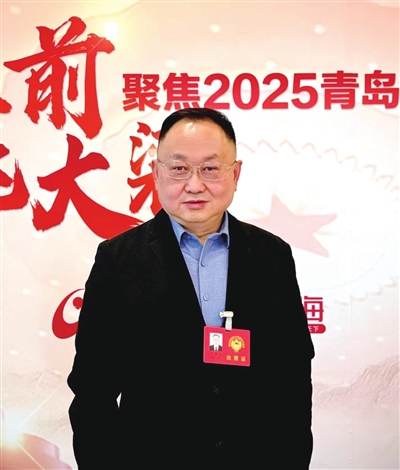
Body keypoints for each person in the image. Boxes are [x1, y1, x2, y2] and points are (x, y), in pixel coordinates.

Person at [68, 108, 315, 470]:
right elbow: (93, 392)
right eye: (179, 168)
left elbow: (292, 379)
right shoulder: (118, 260)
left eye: (211, 168)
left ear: (236, 174)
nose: (195, 185)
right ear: (156, 173)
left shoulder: (272, 255)